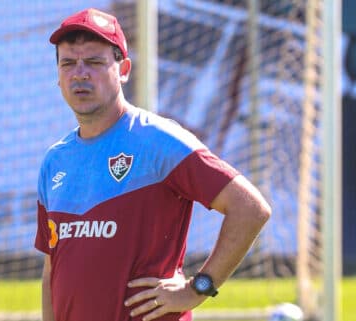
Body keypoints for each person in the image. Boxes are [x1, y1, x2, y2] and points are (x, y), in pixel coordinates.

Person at [35, 8, 271, 321]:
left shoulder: (158, 139)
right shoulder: (55, 159)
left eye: (94, 62)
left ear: (124, 70)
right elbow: (53, 269)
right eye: (68, 63)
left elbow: (250, 208)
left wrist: (197, 288)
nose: (80, 73)